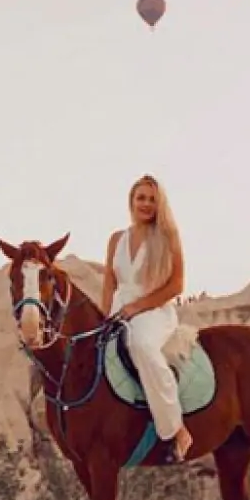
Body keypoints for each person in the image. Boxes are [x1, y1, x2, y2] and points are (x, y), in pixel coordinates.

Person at [101, 174, 193, 462]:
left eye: (152, 199)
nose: (146, 204)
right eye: (141, 198)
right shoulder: (117, 239)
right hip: (119, 309)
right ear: (131, 201)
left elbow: (177, 285)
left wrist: (138, 306)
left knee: (141, 345)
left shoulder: (167, 238)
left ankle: (175, 430)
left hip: (154, 311)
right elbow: (109, 283)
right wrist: (105, 318)